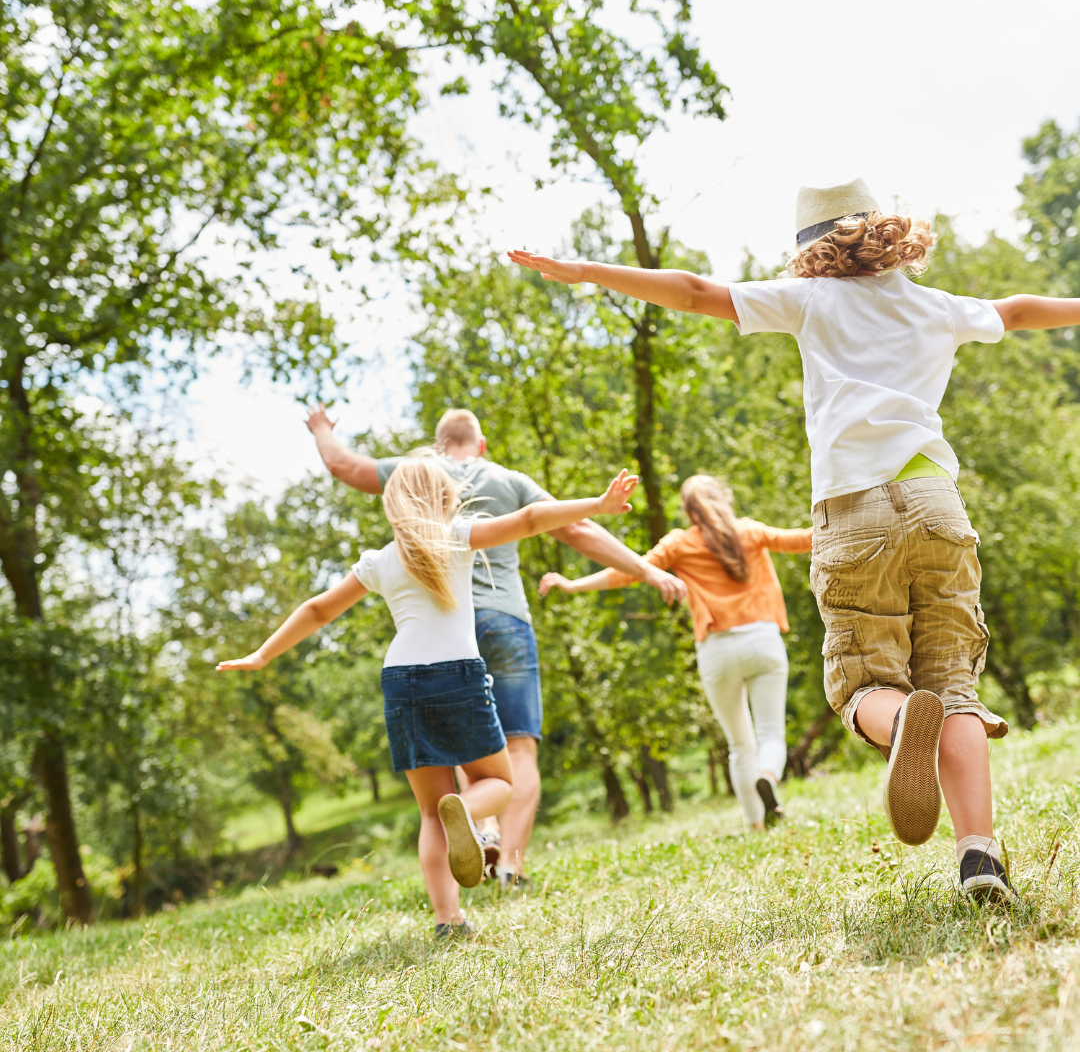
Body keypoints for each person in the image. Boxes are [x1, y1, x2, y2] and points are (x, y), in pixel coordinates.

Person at [509, 178, 1080, 902]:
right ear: (881, 233)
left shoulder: (811, 300)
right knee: (954, 686)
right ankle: (979, 857)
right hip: (939, 505)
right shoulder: (932, 305)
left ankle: (902, 719)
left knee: (865, 682)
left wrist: (590, 272)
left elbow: (691, 290)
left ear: (814, 251)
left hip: (853, 510)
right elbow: (1020, 310)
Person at [217, 456, 640, 936]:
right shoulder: (457, 536)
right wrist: (598, 505)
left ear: (393, 504)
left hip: (400, 680)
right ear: (445, 499)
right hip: (457, 674)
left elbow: (317, 610)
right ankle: (468, 810)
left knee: (428, 811)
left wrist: (262, 654)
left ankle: (447, 919)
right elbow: (528, 519)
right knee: (499, 784)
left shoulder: (378, 561)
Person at [304, 406, 686, 888]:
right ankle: (511, 864)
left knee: (469, 748)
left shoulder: (415, 472)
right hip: (506, 622)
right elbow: (572, 528)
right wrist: (646, 569)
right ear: (480, 445)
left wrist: (321, 428)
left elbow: (344, 466)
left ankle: (481, 831)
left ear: (438, 445)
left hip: (442, 635)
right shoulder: (507, 478)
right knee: (518, 751)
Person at [540, 474, 811, 830]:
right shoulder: (751, 531)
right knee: (770, 735)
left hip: (717, 651)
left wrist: (575, 584)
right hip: (762, 640)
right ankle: (768, 777)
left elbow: (631, 570)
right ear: (723, 499)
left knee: (738, 744)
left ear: (688, 511)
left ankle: (754, 825)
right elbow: (805, 540)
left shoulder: (680, 544)